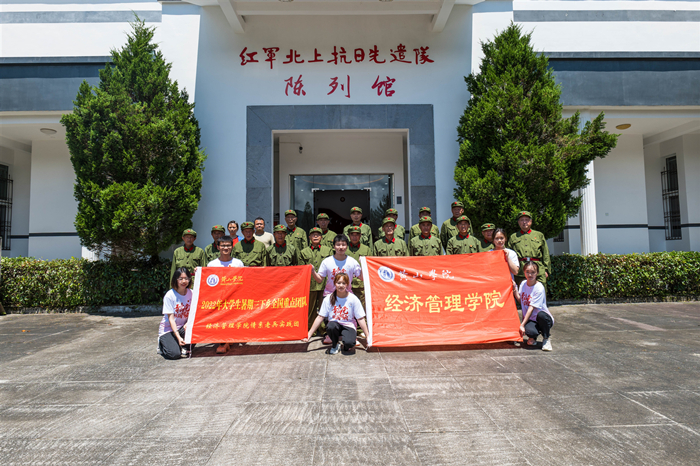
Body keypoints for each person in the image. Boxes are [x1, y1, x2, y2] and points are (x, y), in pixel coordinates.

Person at [312, 234, 363, 344]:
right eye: (338, 244)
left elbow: (361, 277)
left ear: (347, 246)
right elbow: (320, 279)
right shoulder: (327, 261)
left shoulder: (352, 261)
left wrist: (363, 265)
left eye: (343, 245)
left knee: (349, 317)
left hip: (347, 295)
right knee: (329, 318)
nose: (341, 247)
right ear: (334, 246)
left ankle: (351, 335)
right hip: (330, 294)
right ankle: (330, 335)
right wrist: (313, 272)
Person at [304, 273, 370, 355]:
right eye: (338, 283)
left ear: (347, 284)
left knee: (349, 344)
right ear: (335, 283)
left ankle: (347, 343)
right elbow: (320, 317)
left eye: (343, 283)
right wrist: (309, 334)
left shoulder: (353, 298)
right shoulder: (328, 298)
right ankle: (335, 344)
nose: (341, 285)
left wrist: (368, 336)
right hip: (334, 325)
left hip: (349, 325)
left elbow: (360, 318)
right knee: (331, 326)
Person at [206, 236, 244, 354]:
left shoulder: (238, 263)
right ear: (218, 247)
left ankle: (230, 338)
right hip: (218, 299)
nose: (225, 248)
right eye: (223, 245)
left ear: (232, 247)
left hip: (234, 297)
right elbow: (207, 282)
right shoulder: (212, 264)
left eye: (228, 245)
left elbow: (243, 280)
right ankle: (222, 342)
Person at [512, 261, 554, 351]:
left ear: (537, 273)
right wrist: (515, 290)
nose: (530, 275)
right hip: (531, 319)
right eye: (527, 272)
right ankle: (533, 337)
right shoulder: (523, 284)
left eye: (533, 272)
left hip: (543, 318)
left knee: (541, 315)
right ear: (524, 272)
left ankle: (546, 338)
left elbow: (531, 308)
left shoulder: (539, 287)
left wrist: (522, 324)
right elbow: (522, 301)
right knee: (529, 332)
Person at [299, 227, 333, 335]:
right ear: (309, 237)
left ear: (321, 237)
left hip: (325, 285)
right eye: (313, 235)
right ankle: (311, 330)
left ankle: (324, 330)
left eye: (318, 235)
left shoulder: (328, 250)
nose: (315, 236)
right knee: (311, 309)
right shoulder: (303, 252)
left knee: (325, 308)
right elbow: (301, 269)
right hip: (310, 284)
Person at [158, 267, 194, 360]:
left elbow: (194, 312)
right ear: (175, 280)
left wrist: (188, 323)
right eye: (180, 279)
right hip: (169, 329)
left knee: (194, 336)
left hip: (183, 327)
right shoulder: (170, 295)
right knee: (174, 354)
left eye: (186, 278)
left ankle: (180, 345)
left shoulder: (192, 293)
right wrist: (178, 337)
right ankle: (162, 343)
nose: (184, 281)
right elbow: (171, 319)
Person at [507, 211, 551, 286]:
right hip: (520, 271)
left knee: (539, 291)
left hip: (538, 270)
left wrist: (546, 270)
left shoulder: (539, 235)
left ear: (531, 221)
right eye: (522, 220)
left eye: (527, 220)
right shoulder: (513, 237)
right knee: (521, 292)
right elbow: (509, 255)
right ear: (518, 222)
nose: (524, 222)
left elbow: (545, 253)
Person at [345, 225, 372, 311]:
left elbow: (370, 266)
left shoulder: (366, 249)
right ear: (348, 236)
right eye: (352, 235)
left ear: (360, 236)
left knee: (362, 307)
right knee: (347, 307)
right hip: (346, 283)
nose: (354, 237)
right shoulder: (344, 248)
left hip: (360, 284)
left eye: (357, 235)